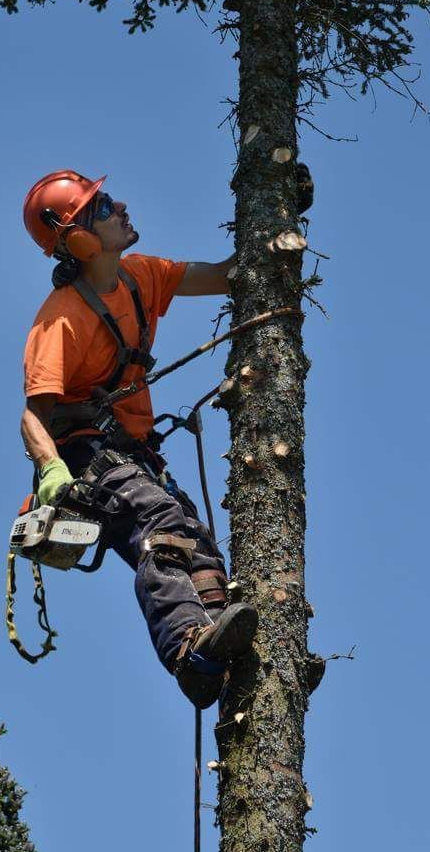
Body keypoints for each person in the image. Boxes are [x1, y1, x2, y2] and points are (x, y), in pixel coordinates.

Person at [20, 169, 258, 708]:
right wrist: (53, 470)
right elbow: (33, 417)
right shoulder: (60, 321)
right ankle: (187, 648)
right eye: (103, 206)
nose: (120, 205)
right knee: (160, 520)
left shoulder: (139, 278)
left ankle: (224, 637)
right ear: (78, 239)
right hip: (85, 454)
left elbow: (227, 276)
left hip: (133, 455)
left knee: (192, 530)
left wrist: (284, 223)